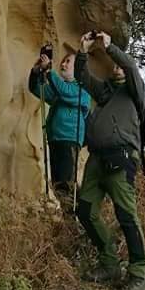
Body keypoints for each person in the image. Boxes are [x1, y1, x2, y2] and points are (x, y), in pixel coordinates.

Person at [73, 31, 145, 290]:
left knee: (126, 215)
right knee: (85, 210)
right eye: (114, 66)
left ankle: (139, 275)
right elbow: (82, 77)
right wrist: (82, 51)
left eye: (119, 65)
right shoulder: (105, 92)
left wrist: (110, 47)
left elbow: (130, 67)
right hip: (96, 159)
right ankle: (109, 263)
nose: (117, 68)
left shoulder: (135, 92)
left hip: (121, 158)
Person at [28, 50, 91, 200]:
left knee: (66, 183)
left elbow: (65, 92)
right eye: (63, 61)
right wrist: (36, 72)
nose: (63, 64)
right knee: (58, 184)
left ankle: (77, 211)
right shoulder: (59, 89)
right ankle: (68, 210)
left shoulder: (82, 89)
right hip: (55, 140)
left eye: (68, 62)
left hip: (69, 141)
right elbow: (37, 89)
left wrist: (49, 70)